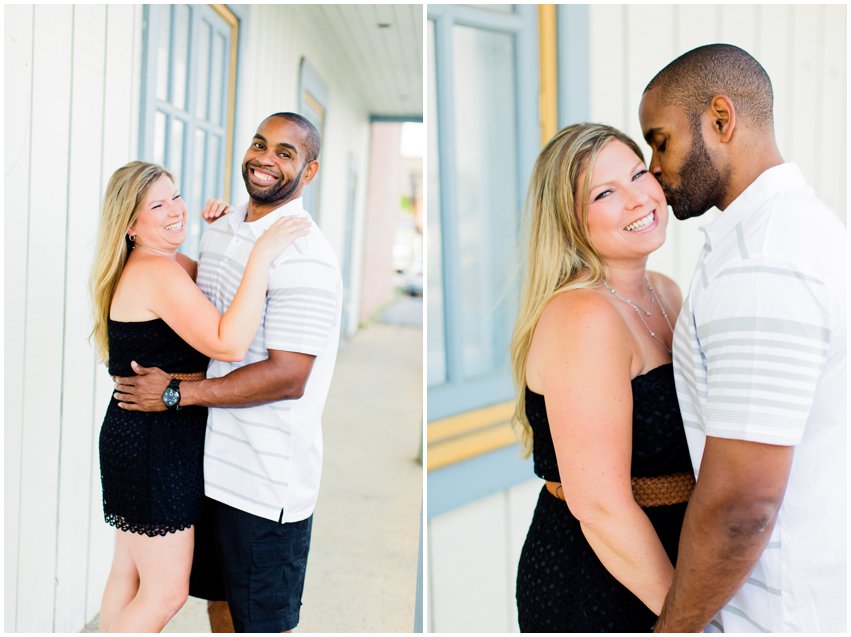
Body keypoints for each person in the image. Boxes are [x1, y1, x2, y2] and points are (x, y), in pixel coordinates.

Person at [639, 43, 846, 632]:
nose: (654, 167)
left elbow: (742, 506)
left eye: (661, 141)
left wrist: (673, 630)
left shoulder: (765, 261)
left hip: (775, 614)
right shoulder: (794, 231)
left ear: (721, 119)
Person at [112, 112, 343, 633]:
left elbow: (287, 376)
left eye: (286, 152)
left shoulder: (306, 256)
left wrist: (175, 395)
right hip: (207, 467)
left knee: (257, 623)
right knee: (220, 609)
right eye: (260, 144)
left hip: (264, 481)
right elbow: (197, 321)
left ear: (309, 173)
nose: (265, 157)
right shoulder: (222, 229)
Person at [510, 122, 694, 631]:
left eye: (639, 174)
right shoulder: (583, 317)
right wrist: (691, 620)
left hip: (674, 557)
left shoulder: (666, 291)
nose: (638, 199)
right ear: (569, 220)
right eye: (606, 192)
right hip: (602, 580)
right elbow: (600, 508)